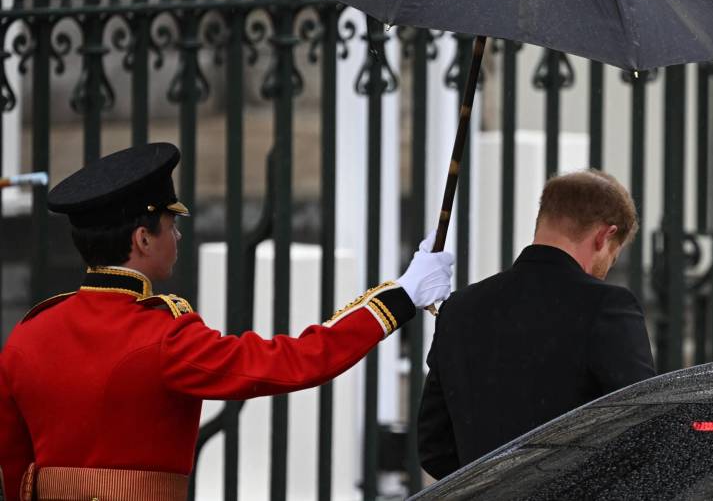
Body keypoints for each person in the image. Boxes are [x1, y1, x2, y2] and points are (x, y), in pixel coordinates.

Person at [0, 142, 454, 501]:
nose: (176, 236)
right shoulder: (164, 337)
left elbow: (15, 464)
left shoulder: (29, 333)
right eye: (169, 226)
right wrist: (402, 296)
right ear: (142, 238)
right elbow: (296, 361)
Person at [417, 169, 655, 480]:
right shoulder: (606, 306)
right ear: (604, 236)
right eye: (612, 257)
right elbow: (643, 428)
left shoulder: (461, 308)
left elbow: (434, 447)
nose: (607, 269)